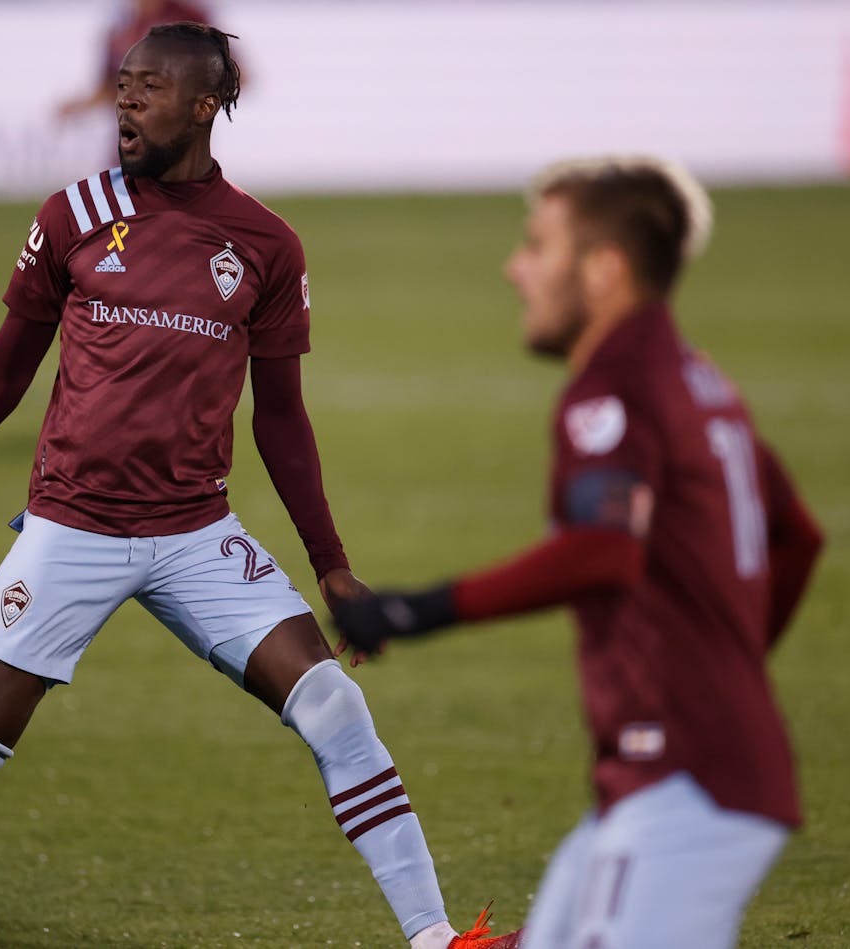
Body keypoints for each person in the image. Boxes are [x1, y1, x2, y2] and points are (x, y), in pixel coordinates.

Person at [0, 22, 521, 949]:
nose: (125, 100)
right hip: (71, 527)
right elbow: (2, 373)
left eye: (148, 87)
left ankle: (437, 940)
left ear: (204, 106)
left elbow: (281, 418)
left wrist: (335, 567)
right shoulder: (72, 215)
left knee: (334, 704)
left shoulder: (266, 245)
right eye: (122, 84)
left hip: (197, 534)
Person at [332, 156, 824, 949]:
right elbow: (798, 536)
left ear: (603, 270)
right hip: (676, 777)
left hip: (685, 785)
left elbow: (603, 551)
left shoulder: (615, 388)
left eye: (537, 246)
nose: (515, 268)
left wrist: (419, 606)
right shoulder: (696, 380)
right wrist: (731, 671)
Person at [56, 0, 216, 120]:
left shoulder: (189, 18)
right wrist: (80, 107)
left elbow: (231, 73)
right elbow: (108, 89)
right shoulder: (120, 28)